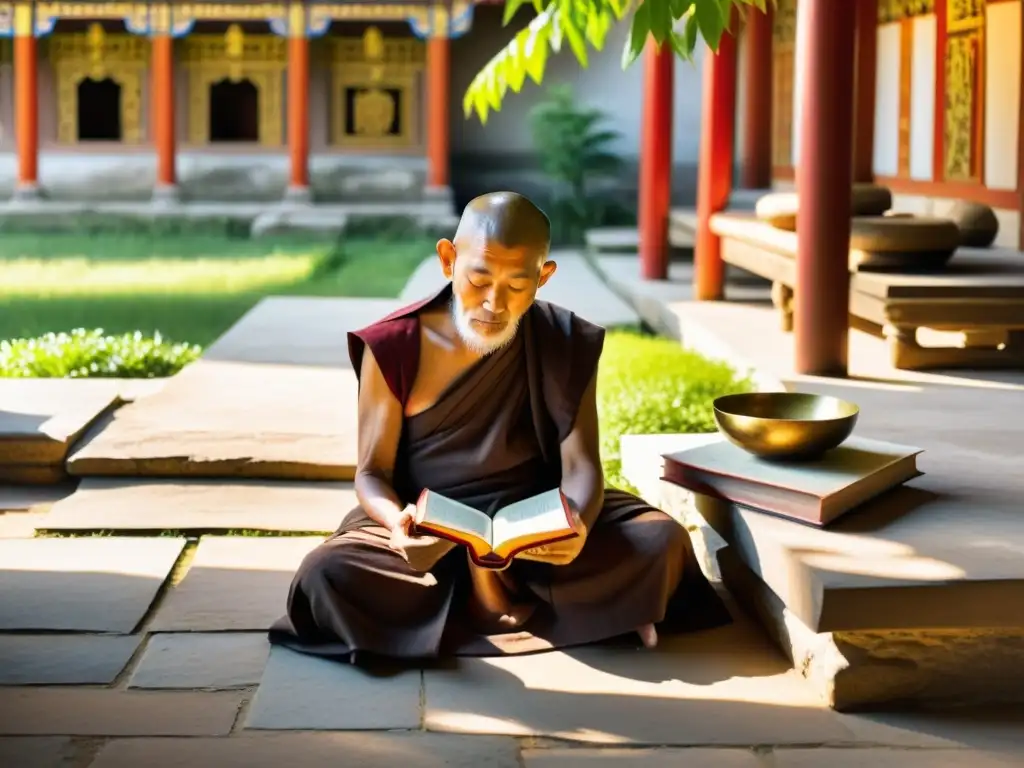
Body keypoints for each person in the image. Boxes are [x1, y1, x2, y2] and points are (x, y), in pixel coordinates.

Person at [269, 191, 731, 662]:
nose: (494, 302)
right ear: (448, 260)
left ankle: (430, 625)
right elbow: (371, 473)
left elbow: (583, 466)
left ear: (543, 277)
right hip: (433, 536)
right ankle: (602, 615)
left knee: (661, 541)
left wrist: (580, 528)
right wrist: (397, 525)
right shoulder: (394, 345)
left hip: (534, 534)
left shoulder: (564, 340)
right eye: (479, 277)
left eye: (517, 284)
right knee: (326, 573)